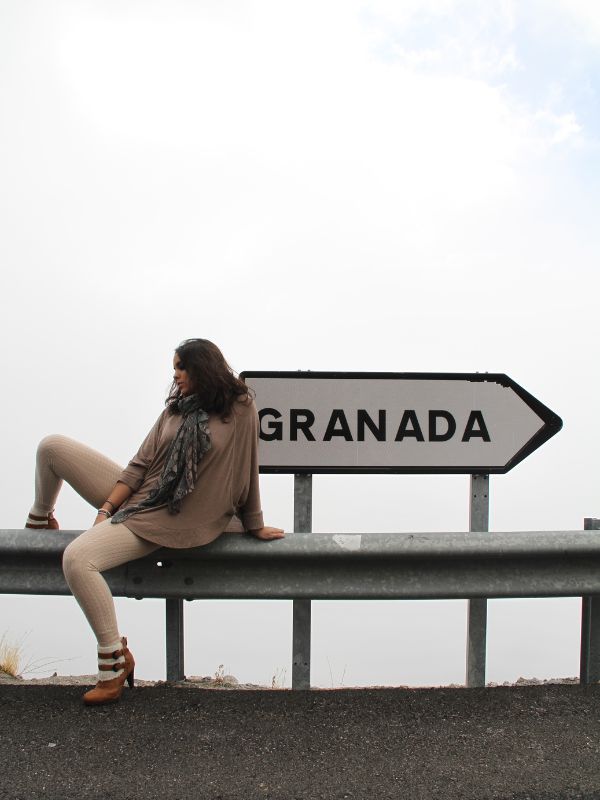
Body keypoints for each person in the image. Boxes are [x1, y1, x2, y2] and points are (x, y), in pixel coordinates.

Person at [25, 338, 284, 705]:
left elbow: (247, 470)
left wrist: (254, 522)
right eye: (174, 367)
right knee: (51, 447)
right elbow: (140, 465)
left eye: (181, 367)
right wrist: (106, 511)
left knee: (78, 559)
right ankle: (39, 520)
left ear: (202, 368)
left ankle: (113, 663)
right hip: (144, 497)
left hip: (171, 517)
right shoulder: (174, 410)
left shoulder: (240, 408)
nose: (175, 374)